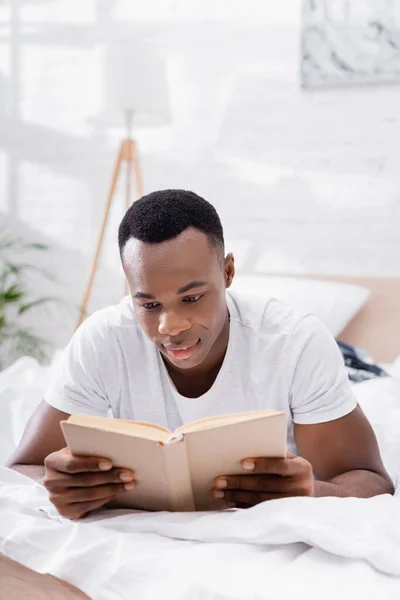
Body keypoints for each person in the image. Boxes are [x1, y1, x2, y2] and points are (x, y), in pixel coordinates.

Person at [8, 189, 393, 519]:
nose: (170, 327)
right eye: (149, 305)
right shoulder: (102, 338)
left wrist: (312, 491)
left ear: (227, 272)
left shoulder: (297, 340)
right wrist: (57, 485)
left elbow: (372, 483)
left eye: (192, 298)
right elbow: (22, 468)